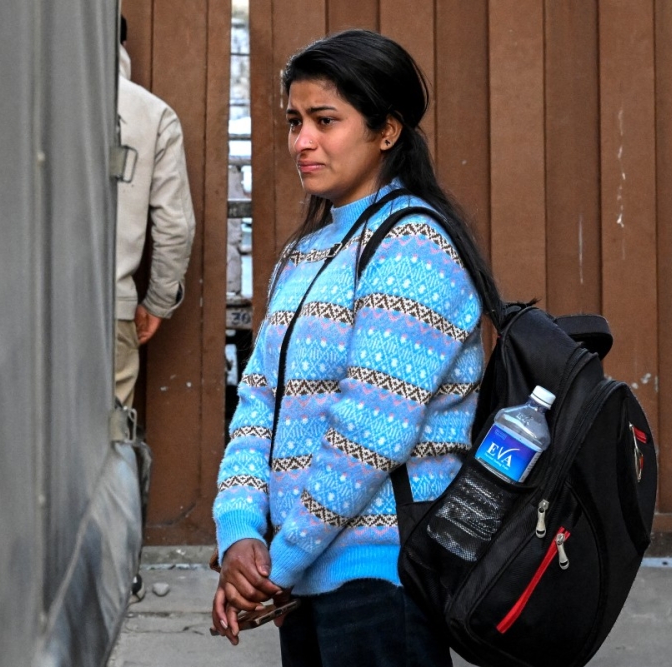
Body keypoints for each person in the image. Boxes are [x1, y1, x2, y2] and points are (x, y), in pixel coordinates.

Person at [210, 29, 501, 666]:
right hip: (301, 576)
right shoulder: (304, 253)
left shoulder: (415, 248)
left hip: (382, 580)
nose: (301, 141)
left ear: (387, 131)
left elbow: (369, 433)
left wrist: (275, 564)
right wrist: (238, 532)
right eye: (294, 121)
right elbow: (258, 401)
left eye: (325, 121)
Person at [114, 16, 196, 408]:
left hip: (14, 315)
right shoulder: (152, 114)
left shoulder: (17, 99)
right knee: (109, 443)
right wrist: (158, 302)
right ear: (122, 44)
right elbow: (174, 226)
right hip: (109, 309)